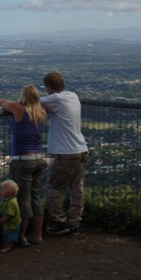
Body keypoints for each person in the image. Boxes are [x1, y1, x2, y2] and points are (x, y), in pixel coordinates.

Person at [0, 85, 47, 246]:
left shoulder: (18, 109)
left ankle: (21, 236)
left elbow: (2, 102)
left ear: (24, 96)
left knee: (22, 198)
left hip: (23, 160)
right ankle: (38, 234)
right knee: (36, 197)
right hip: (39, 159)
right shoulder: (42, 112)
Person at [39, 72, 89, 236]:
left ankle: (59, 222)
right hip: (81, 149)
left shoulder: (55, 99)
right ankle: (74, 223)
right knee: (77, 188)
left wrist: (0, 102)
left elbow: (29, 103)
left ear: (49, 87)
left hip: (66, 152)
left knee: (53, 187)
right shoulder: (73, 96)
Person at [0, 179, 22, 253]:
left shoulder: (11, 202)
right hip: (14, 223)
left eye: (3, 190)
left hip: (11, 224)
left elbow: (10, 214)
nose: (1, 191)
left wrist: (3, 220)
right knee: (10, 235)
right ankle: (10, 244)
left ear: (9, 193)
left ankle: (7, 246)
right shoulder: (10, 199)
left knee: (8, 235)